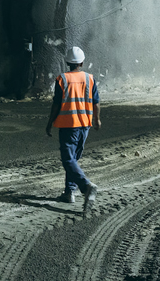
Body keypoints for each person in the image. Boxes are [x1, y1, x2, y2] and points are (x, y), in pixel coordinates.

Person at [45, 46, 101, 212]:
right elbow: (96, 102)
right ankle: (69, 192)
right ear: (82, 63)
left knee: (68, 160)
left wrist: (49, 123)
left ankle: (86, 186)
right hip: (84, 125)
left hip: (68, 125)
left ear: (67, 62)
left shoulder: (62, 79)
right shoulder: (89, 79)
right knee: (73, 160)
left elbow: (56, 104)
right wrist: (97, 120)